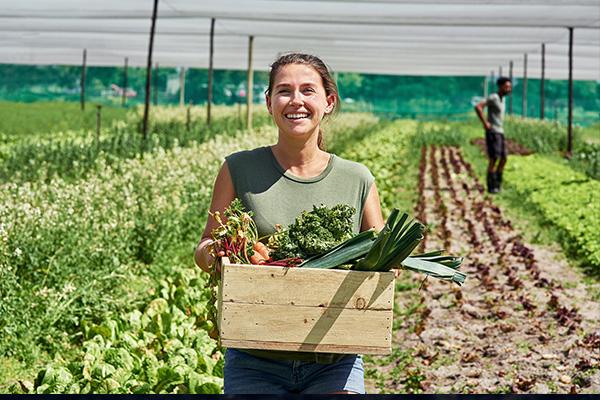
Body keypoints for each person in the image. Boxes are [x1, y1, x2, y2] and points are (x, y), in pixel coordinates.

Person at [194, 53, 386, 394]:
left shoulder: (357, 179)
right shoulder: (238, 169)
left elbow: (384, 259)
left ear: (328, 102)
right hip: (254, 354)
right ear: (269, 103)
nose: (295, 100)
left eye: (307, 90)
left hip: (334, 357)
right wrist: (223, 253)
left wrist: (388, 265)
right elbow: (205, 246)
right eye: (284, 91)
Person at [474, 77, 512, 193]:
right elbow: (478, 107)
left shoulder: (502, 99)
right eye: (506, 87)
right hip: (493, 132)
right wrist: (485, 123)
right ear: (500, 87)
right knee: (494, 158)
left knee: (504, 158)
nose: (508, 89)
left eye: (509, 87)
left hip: (500, 131)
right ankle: (491, 186)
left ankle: (498, 183)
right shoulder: (494, 97)